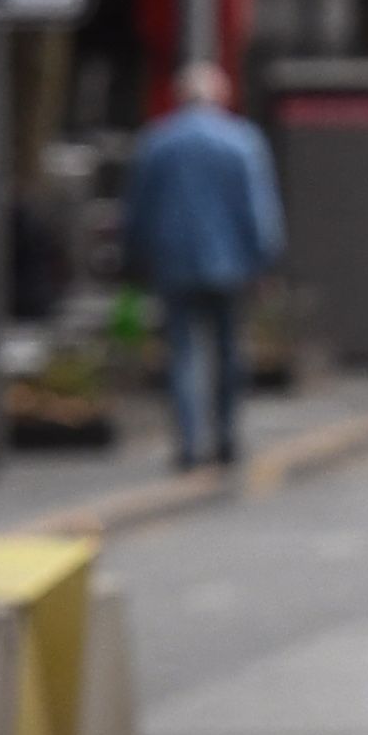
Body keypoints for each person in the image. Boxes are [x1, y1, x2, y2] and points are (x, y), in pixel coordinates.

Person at [125, 64, 283, 472]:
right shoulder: (242, 142)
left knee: (182, 353)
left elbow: (138, 210)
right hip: (230, 264)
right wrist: (265, 260)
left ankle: (189, 444)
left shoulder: (157, 143)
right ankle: (226, 436)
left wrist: (135, 257)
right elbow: (258, 208)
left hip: (174, 263)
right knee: (229, 354)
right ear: (221, 97)